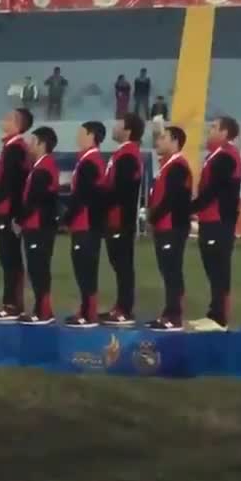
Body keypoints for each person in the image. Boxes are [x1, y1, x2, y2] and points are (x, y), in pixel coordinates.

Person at [188, 116, 241, 332]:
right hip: (210, 219)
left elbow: (213, 191)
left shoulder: (226, 157)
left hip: (219, 220)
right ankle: (214, 313)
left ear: (224, 133)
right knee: (213, 269)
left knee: (219, 269)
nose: (209, 130)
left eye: (214, 127)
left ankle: (220, 319)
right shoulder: (215, 155)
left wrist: (189, 209)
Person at [0, 107, 33, 320]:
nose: (3, 120)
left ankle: (12, 304)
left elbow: (12, 182)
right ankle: (12, 303)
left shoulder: (15, 148)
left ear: (17, 124)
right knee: (7, 258)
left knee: (10, 258)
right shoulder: (10, 147)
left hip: (9, 210)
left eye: (8, 118)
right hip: (5, 209)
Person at [145, 126, 193, 330]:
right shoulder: (167, 165)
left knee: (172, 271)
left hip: (172, 226)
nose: (158, 141)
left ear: (175, 142)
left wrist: (153, 217)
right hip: (164, 226)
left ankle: (174, 316)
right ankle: (169, 313)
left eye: (163, 137)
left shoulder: (178, 166)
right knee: (167, 271)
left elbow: (172, 199)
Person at [100, 113, 144, 325]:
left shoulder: (128, 155)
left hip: (120, 219)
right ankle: (120, 306)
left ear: (127, 130)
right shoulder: (123, 153)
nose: (114, 127)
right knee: (119, 265)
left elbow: (121, 190)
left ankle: (125, 310)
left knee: (123, 265)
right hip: (115, 218)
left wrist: (100, 202)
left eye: (119, 124)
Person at [62, 121, 106, 327]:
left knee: (85, 268)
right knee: (84, 268)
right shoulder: (89, 160)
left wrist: (67, 218)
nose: (77, 137)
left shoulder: (90, 162)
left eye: (81, 133)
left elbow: (83, 195)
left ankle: (89, 313)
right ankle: (87, 309)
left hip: (85, 223)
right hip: (86, 223)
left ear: (91, 136)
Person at [17, 127, 60, 324]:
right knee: (37, 268)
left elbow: (35, 200)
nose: (28, 145)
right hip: (38, 225)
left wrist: (19, 219)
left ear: (41, 144)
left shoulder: (44, 168)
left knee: (38, 268)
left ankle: (43, 312)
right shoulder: (42, 166)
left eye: (32, 141)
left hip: (38, 226)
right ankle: (42, 309)